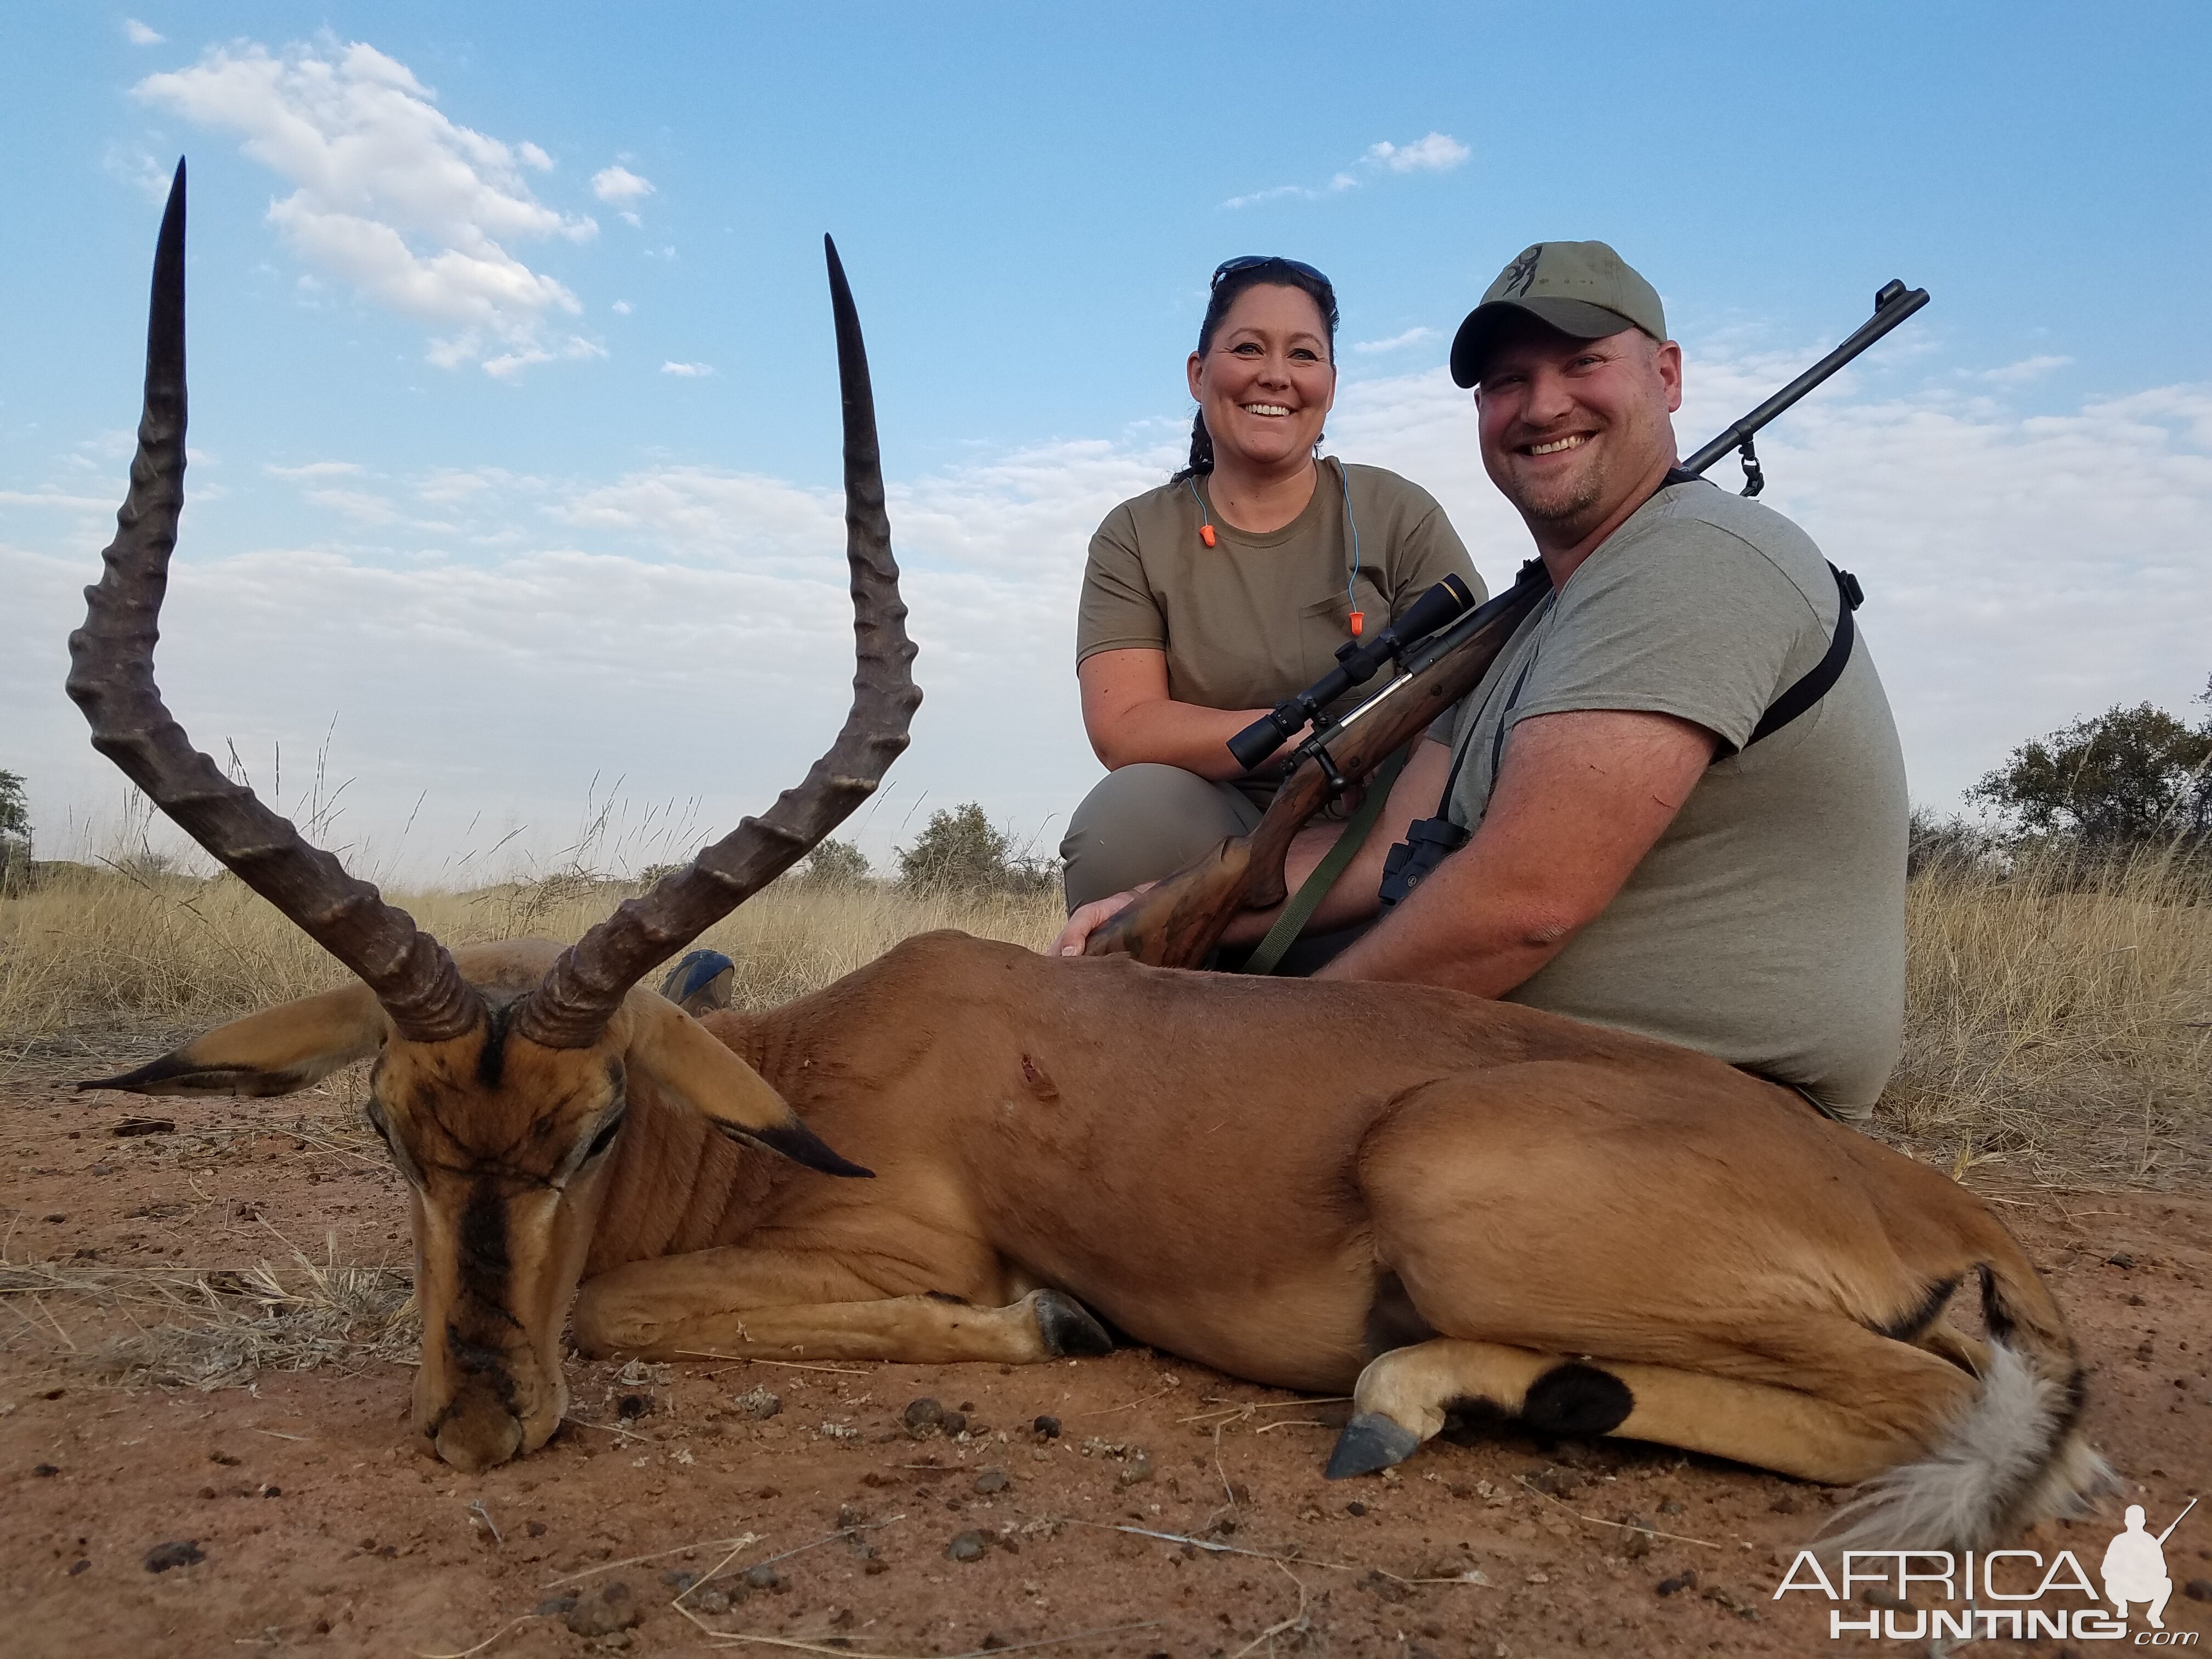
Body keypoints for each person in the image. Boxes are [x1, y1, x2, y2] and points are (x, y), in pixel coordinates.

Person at [1059, 241, 1909, 1118]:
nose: (1544, 406)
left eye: (1583, 363)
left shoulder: (1689, 557)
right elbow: (1395, 841)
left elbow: (1522, 904)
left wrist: (1273, 1050)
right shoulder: (1547, 609)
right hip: (1547, 1069)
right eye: (1506, 381)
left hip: (1711, 1104)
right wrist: (1164, 904)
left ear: (1667, 375)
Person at [1061, 255, 1483, 918]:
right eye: (1248, 348)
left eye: (1304, 355)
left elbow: (1470, 689)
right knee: (1125, 821)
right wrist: (1304, 740)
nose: (1276, 376)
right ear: (1200, 375)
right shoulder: (1134, 534)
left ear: (1332, 384)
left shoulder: (1398, 512)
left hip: (1383, 808)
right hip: (1221, 813)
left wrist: (1373, 756)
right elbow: (1125, 727)